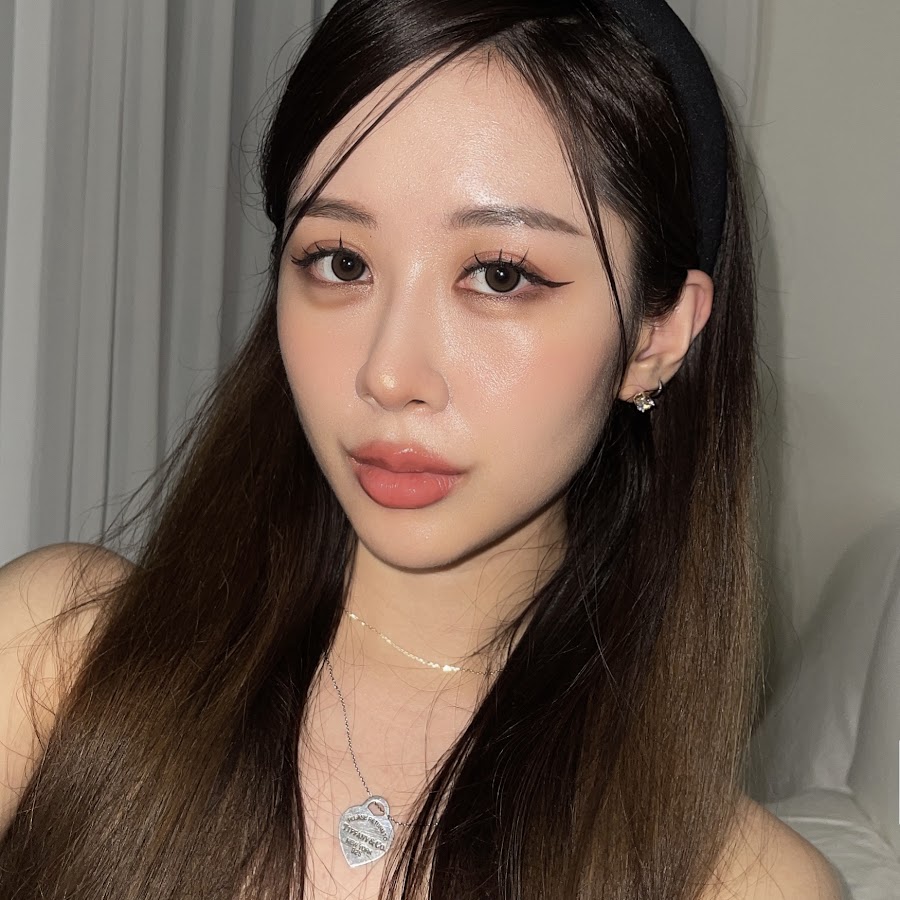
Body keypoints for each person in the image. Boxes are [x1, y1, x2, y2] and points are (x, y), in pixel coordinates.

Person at [0, 1, 843, 897]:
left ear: (657, 334)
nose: (389, 373)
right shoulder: (52, 656)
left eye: (500, 275)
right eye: (341, 263)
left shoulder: (744, 882)